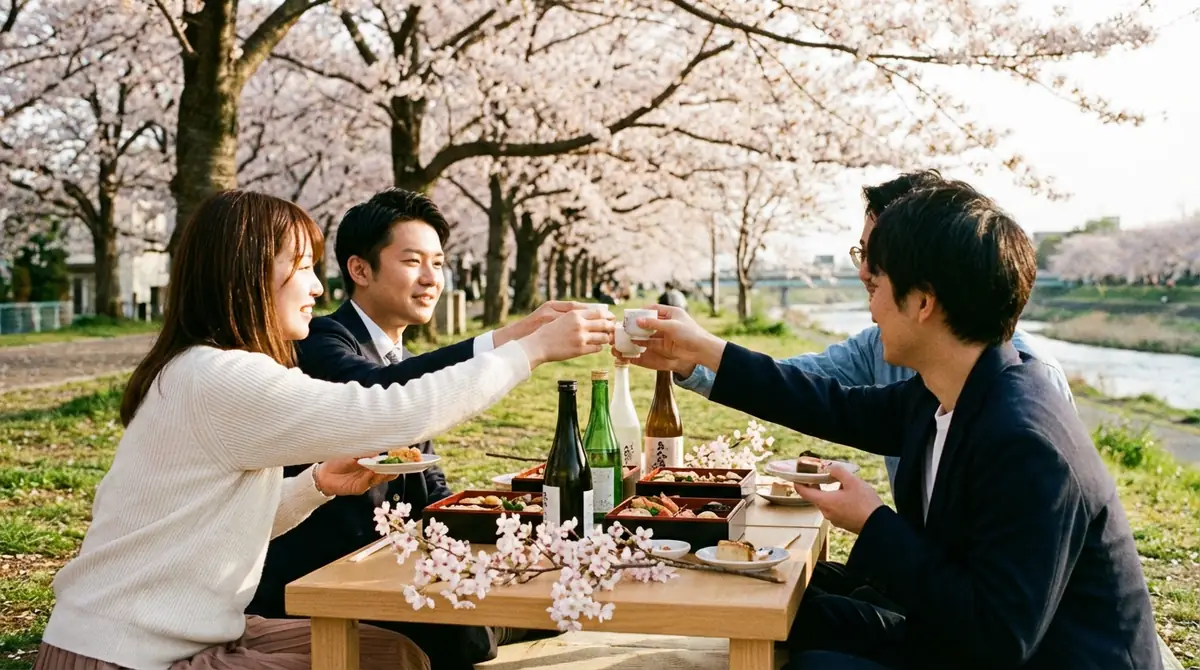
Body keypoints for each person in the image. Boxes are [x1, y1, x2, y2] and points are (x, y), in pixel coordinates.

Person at [34, 190, 613, 670]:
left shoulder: (202, 368)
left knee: (394, 653)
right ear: (249, 273)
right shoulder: (220, 376)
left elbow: (215, 520)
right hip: (127, 654)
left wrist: (314, 485)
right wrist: (528, 350)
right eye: (303, 267)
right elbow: (389, 411)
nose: (317, 287)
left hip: (197, 634)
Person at [620, 184, 1160, 669]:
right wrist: (705, 351)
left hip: (1038, 656)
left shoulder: (1025, 440)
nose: (871, 304)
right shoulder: (948, 391)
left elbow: (998, 638)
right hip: (964, 635)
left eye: (877, 283)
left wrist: (873, 521)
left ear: (923, 302)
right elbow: (826, 404)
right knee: (792, 609)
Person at [247, 189, 575, 668]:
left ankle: (496, 614)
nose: (430, 278)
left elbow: (427, 483)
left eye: (438, 263)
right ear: (360, 270)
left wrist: (489, 521)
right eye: (412, 261)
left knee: (547, 588)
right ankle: (493, 622)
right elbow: (385, 394)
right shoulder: (321, 341)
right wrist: (510, 341)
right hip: (323, 574)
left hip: (396, 563)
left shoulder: (408, 362)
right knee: (465, 636)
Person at [673, 170, 1074, 491]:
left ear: (925, 288)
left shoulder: (1022, 414)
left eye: (879, 259)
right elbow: (811, 395)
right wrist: (694, 355)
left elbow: (998, 567)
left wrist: (871, 521)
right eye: (862, 254)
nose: (864, 273)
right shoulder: (921, 390)